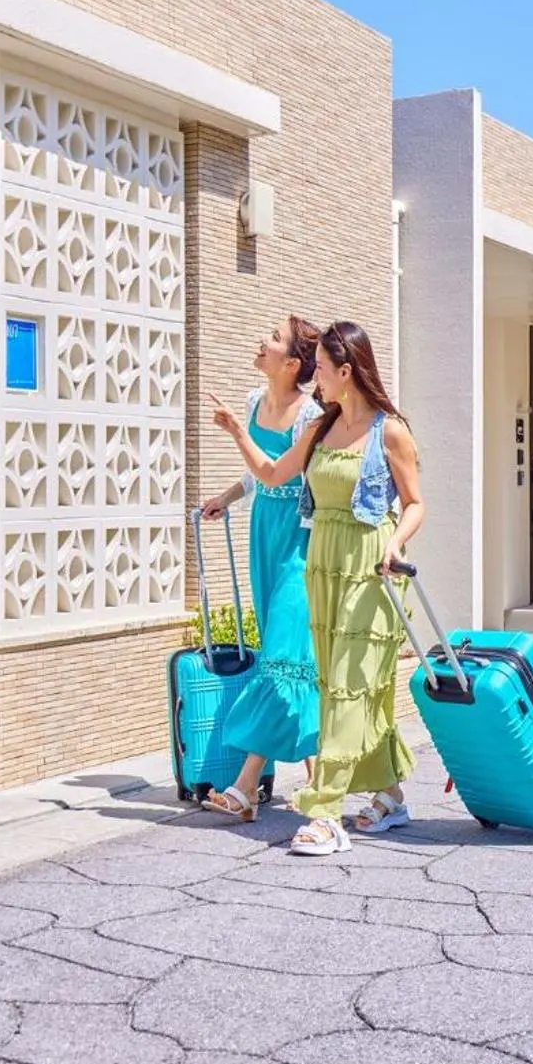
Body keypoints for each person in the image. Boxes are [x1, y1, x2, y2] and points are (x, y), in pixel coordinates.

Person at [209, 320, 425, 856]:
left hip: (370, 570)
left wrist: (395, 542)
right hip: (321, 569)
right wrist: (237, 431)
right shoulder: (320, 428)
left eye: (324, 371)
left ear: (347, 372)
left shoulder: (388, 429)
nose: (316, 380)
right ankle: (391, 795)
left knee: (349, 687)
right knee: (343, 690)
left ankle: (325, 814)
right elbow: (272, 475)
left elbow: (416, 502)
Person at [194, 317, 323, 820]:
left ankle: (245, 788)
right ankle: (319, 783)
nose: (261, 342)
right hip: (263, 537)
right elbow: (258, 477)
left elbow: (277, 472)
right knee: (294, 661)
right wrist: (226, 498)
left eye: (272, 338)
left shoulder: (310, 416)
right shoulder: (253, 401)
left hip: (299, 545)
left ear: (292, 363)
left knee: (281, 660)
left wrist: (231, 432)